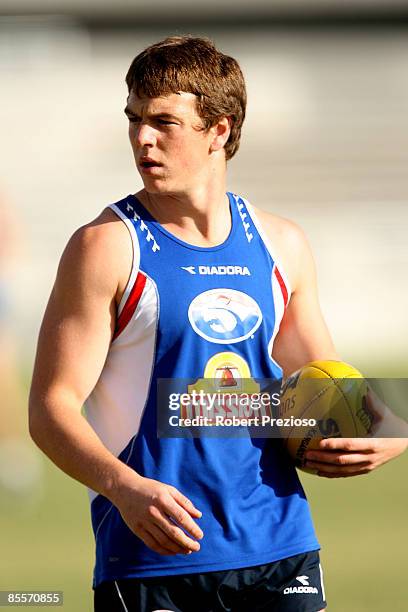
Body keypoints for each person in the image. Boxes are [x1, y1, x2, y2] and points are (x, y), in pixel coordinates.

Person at [29, 36, 407, 612]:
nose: (141, 139)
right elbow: (51, 408)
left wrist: (386, 430)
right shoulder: (105, 247)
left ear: (220, 130)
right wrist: (123, 488)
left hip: (283, 547)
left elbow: (322, 392)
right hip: (154, 556)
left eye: (164, 122)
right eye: (133, 120)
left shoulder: (282, 244)